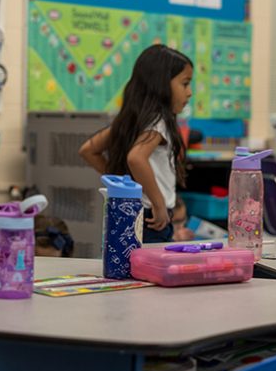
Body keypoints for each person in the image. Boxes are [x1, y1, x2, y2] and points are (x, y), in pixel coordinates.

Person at [79, 44, 193, 243]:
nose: (189, 92)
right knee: (148, 272)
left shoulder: (132, 121)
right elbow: (136, 158)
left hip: (128, 211)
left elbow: (88, 150)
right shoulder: (159, 122)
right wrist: (158, 204)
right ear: (162, 85)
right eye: (185, 84)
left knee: (128, 268)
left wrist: (123, 186)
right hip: (152, 217)